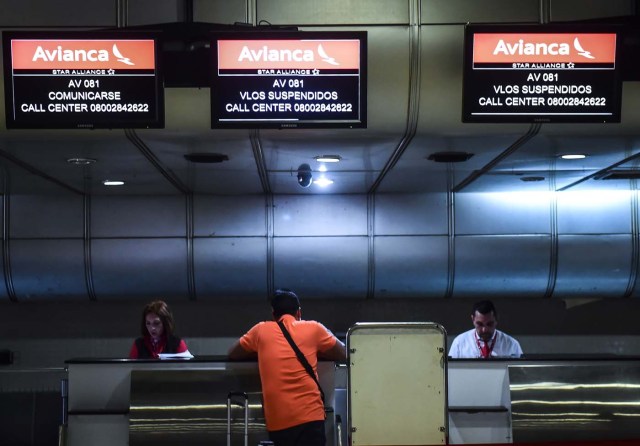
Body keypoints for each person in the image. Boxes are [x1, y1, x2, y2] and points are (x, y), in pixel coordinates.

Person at [228, 289, 347, 446]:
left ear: (273, 314)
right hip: (311, 417)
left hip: (279, 423)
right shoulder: (314, 328)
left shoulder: (260, 331)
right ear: (299, 312)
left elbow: (234, 353)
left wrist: (261, 351)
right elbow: (344, 353)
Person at [449, 300, 523, 359]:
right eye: (480, 324)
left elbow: (519, 374)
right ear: (473, 319)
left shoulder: (512, 344)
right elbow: (450, 372)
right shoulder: (459, 342)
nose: (484, 330)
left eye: (489, 324)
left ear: (496, 319)